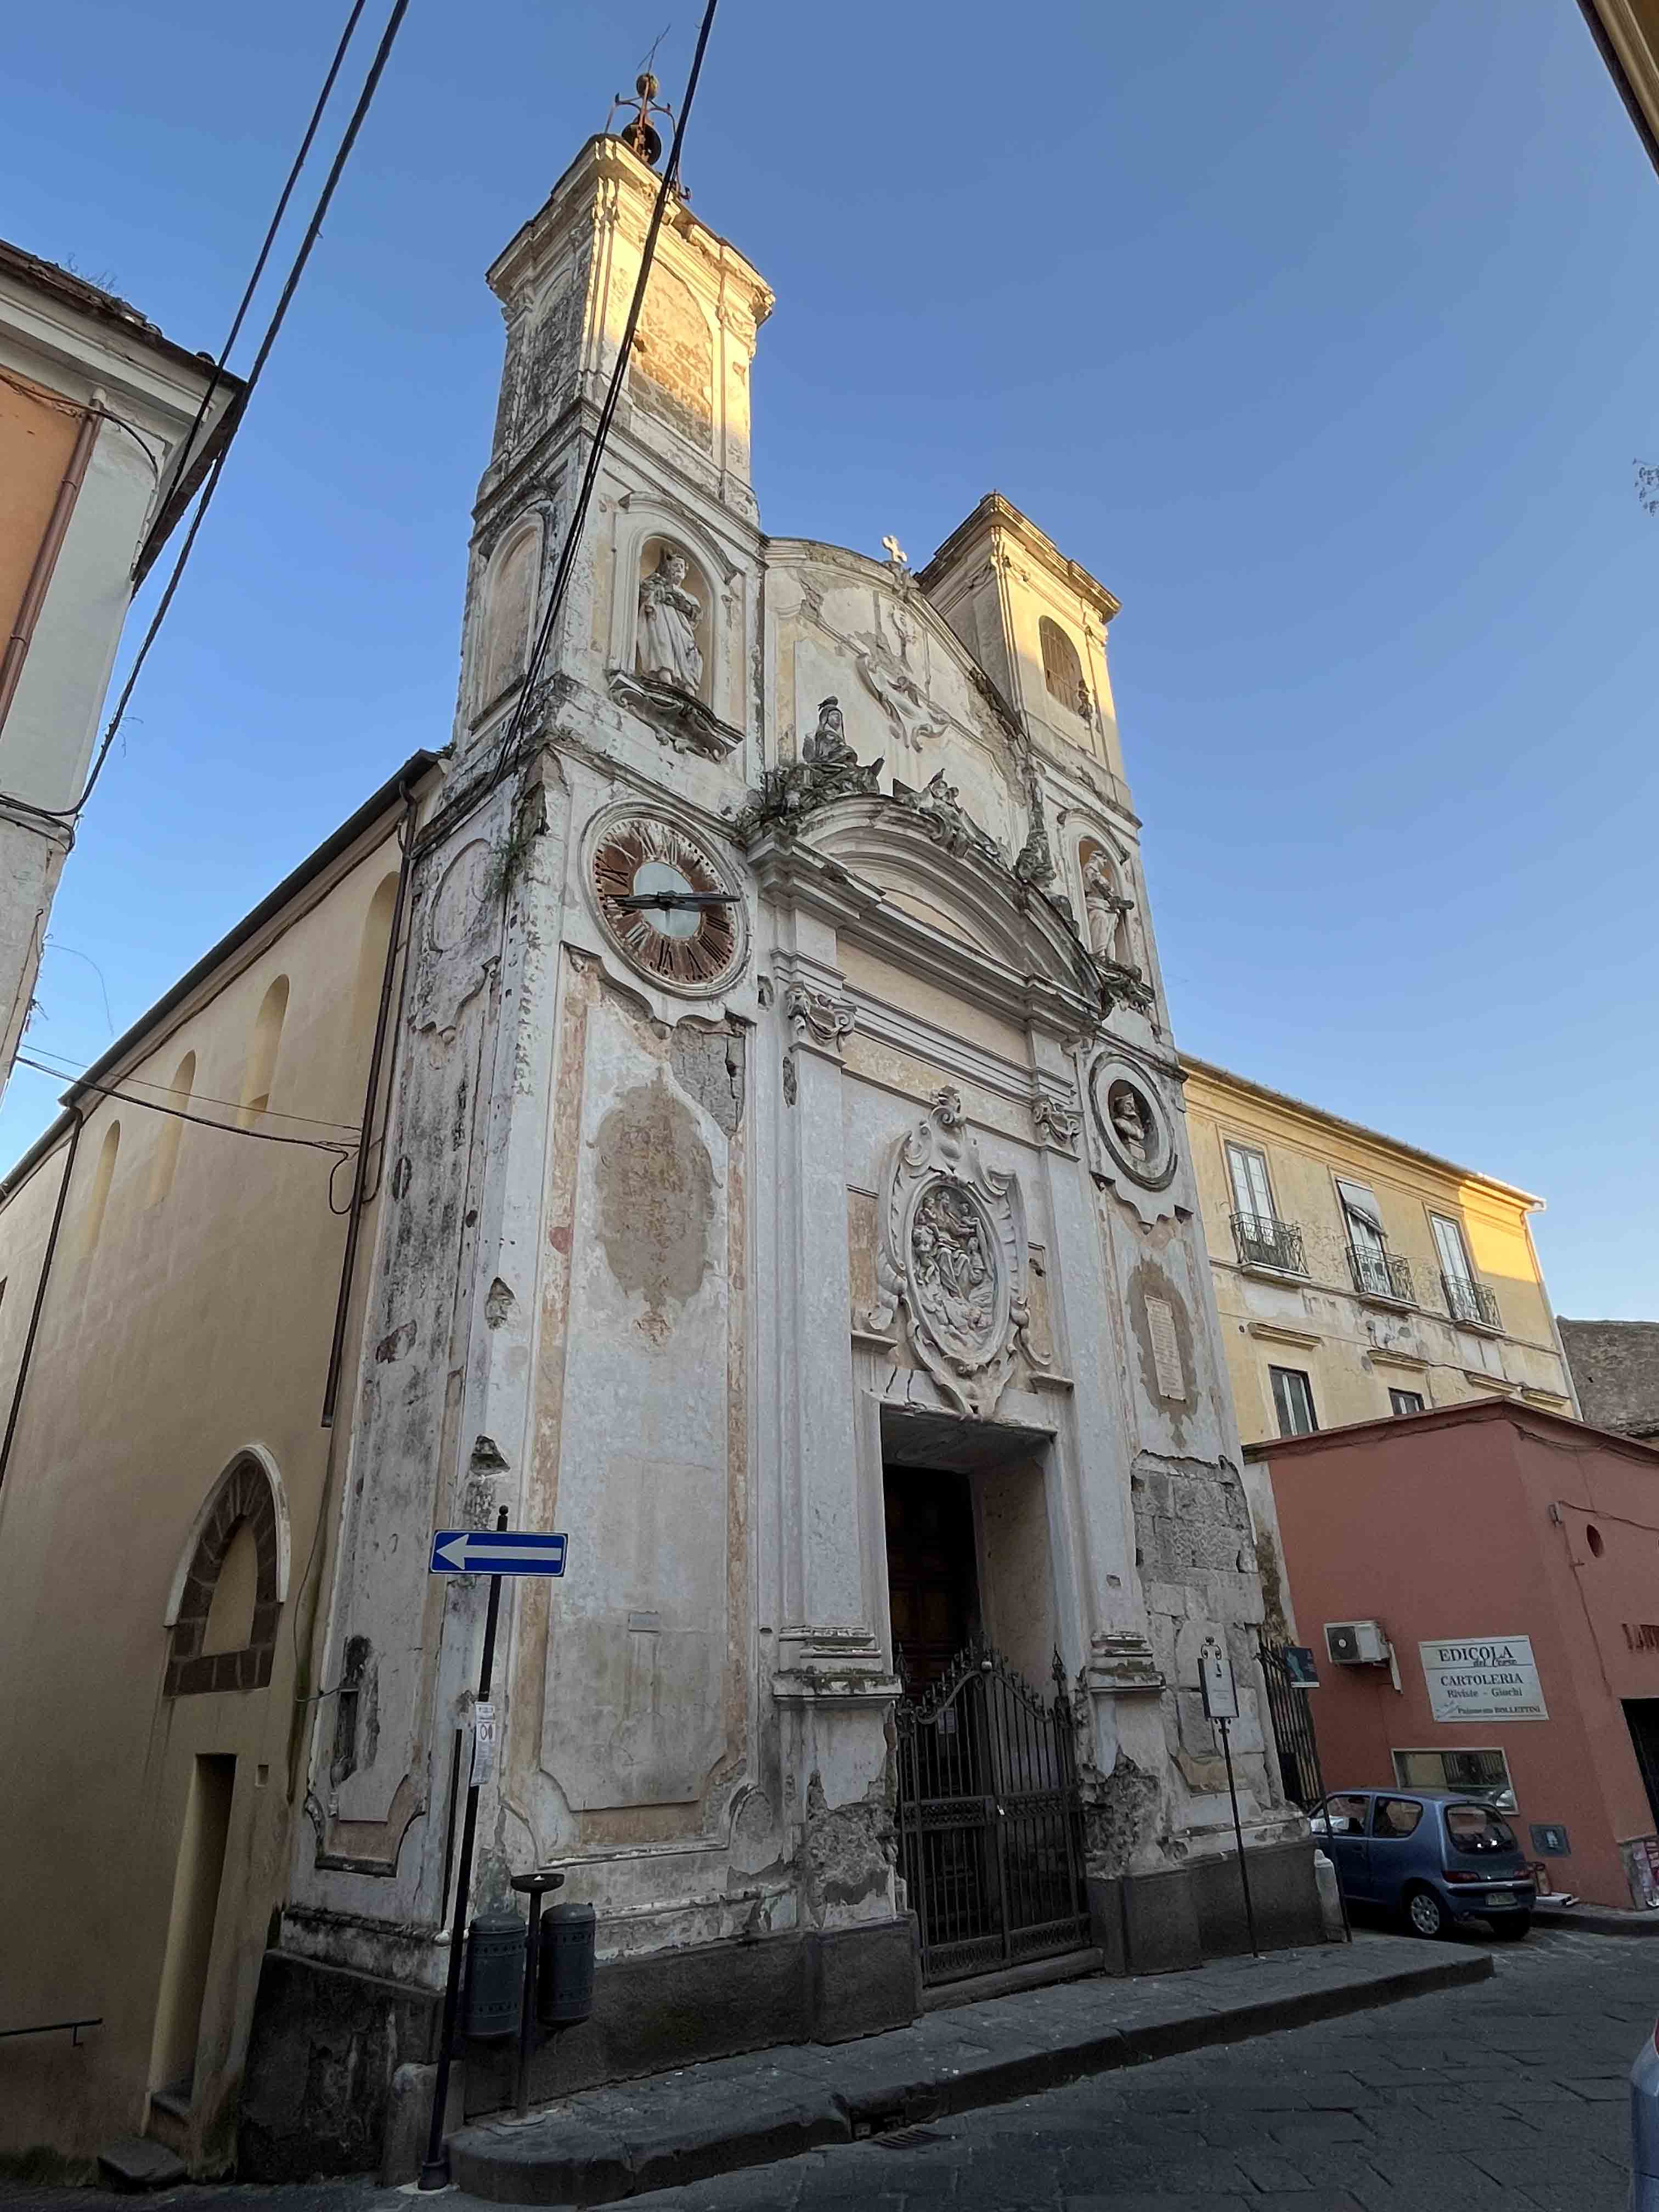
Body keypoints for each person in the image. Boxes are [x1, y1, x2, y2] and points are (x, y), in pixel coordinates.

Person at [637, 549, 704, 693]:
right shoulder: (658, 584)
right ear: (668, 569)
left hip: (682, 628)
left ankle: (688, 687)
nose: (679, 569)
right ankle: (665, 678)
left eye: (681, 566)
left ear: (685, 572)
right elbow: (645, 590)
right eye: (675, 565)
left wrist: (676, 600)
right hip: (662, 620)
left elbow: (696, 615)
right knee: (664, 644)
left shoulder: (691, 598)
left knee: (691, 654)